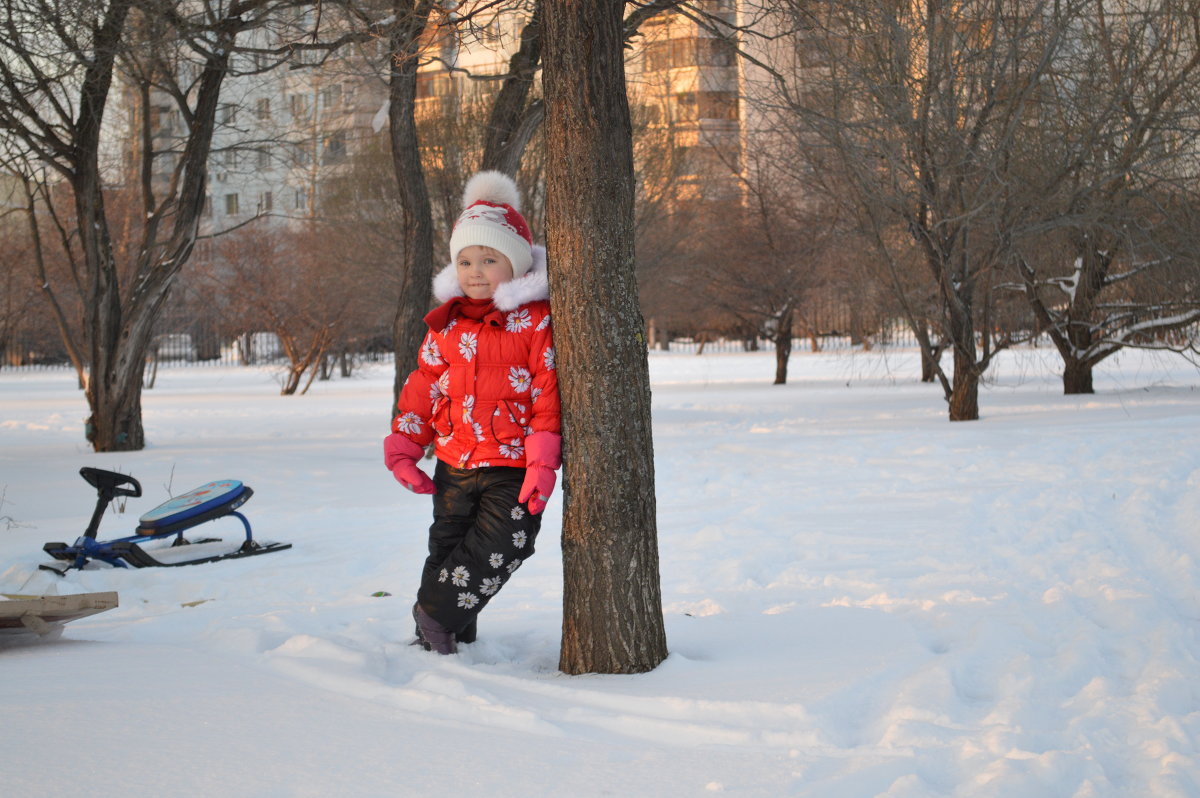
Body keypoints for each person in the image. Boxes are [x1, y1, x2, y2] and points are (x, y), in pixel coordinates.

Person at [384, 171, 561, 655]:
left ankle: (434, 614)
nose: (475, 270)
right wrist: (403, 446)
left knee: (510, 540)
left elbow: (548, 387)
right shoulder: (446, 324)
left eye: (489, 259)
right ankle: (444, 641)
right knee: (448, 548)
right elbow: (422, 385)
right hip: (455, 460)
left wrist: (544, 460)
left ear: (517, 264)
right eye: (465, 260)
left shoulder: (535, 320)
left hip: (512, 463)